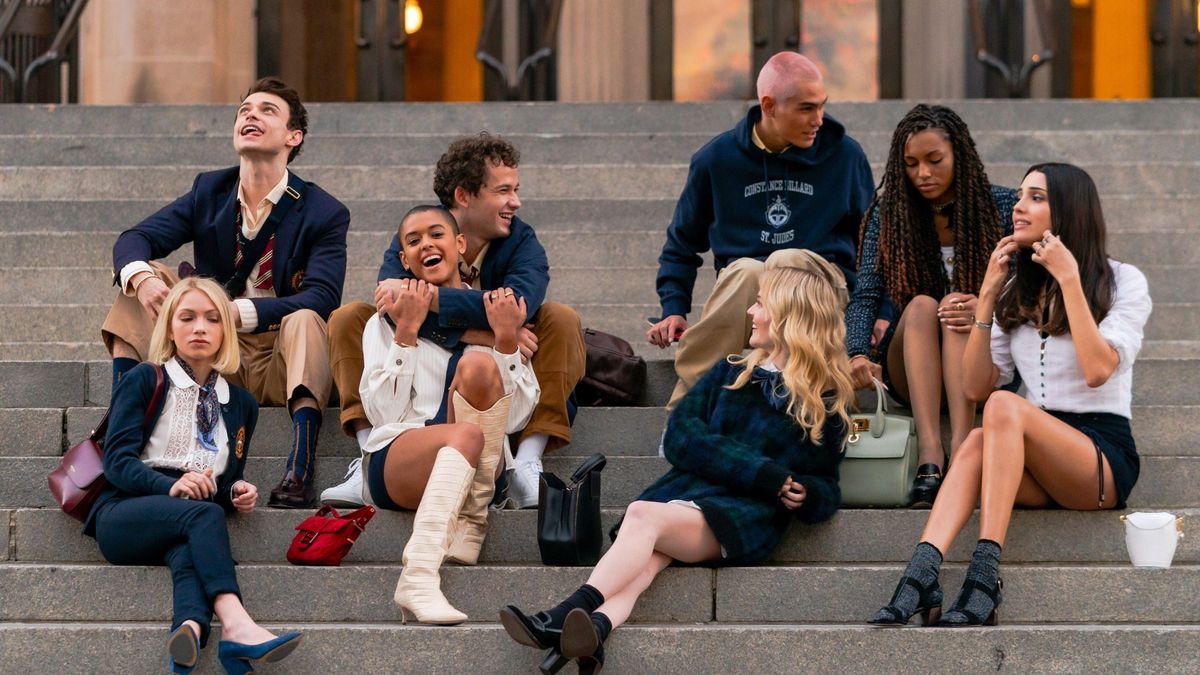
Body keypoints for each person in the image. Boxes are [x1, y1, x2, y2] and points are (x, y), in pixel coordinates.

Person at [502, 263, 854, 673]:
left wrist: (804, 493)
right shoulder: (731, 371)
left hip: (741, 517)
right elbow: (680, 437)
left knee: (640, 515)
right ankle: (595, 631)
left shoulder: (823, 401)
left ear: (791, 315)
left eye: (760, 304)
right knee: (647, 560)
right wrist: (762, 473)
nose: (750, 313)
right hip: (687, 497)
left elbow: (827, 486)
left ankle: (561, 615)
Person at [870, 163, 1151, 627]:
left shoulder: (1123, 281)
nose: (1018, 206)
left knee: (1003, 408)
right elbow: (975, 386)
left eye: (1035, 197)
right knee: (981, 437)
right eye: (1020, 196)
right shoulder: (1016, 290)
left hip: (1099, 458)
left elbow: (1099, 370)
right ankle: (922, 573)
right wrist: (986, 298)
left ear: (1068, 211)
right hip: (1029, 453)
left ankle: (984, 577)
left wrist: (1070, 280)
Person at [101, 77, 350, 509]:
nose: (250, 115)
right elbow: (134, 238)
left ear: (294, 137)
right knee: (139, 278)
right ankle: (120, 427)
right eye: (244, 110)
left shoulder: (324, 211)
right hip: (212, 359)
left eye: (267, 110)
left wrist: (237, 312)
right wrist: (143, 280)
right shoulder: (209, 190)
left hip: (279, 359)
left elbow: (322, 297)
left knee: (308, 319)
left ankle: (300, 464)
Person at [323, 133, 584, 510]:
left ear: (460, 244)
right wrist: (486, 331)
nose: (516, 202)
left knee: (560, 318)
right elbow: (396, 308)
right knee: (349, 318)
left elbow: (517, 308)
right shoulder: (421, 231)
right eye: (504, 191)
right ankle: (366, 451)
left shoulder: (522, 242)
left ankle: (528, 458)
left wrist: (435, 303)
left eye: (515, 190)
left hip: (498, 383)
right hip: (419, 405)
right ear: (464, 196)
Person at [84, 278, 303, 674]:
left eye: (212, 318)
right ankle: (236, 623)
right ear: (169, 328)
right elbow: (116, 463)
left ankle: (190, 631)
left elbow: (220, 485)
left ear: (225, 332)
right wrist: (172, 484)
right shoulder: (145, 379)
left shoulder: (241, 404)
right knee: (203, 518)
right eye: (187, 318)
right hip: (124, 513)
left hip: (187, 518)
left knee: (190, 552)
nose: (199, 327)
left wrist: (235, 490)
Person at [648, 51, 873, 409]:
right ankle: (688, 410)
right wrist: (673, 307)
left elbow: (875, 245)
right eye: (806, 108)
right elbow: (682, 243)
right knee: (748, 269)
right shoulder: (716, 160)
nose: (819, 120)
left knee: (785, 260)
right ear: (768, 105)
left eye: (821, 106)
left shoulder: (845, 156)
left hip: (822, 287)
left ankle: (806, 404)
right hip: (748, 292)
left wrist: (881, 312)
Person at [360, 205, 539, 624]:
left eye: (436, 234)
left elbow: (515, 421)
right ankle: (421, 574)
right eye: (414, 240)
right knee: (467, 436)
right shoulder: (384, 324)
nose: (426, 245)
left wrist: (508, 342)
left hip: (480, 471)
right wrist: (405, 333)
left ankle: (469, 514)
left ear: (460, 245)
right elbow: (382, 413)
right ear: (403, 261)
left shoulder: (496, 318)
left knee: (478, 368)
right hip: (400, 461)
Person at [845, 104, 1016, 506]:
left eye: (934, 160)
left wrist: (987, 308)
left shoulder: (1003, 209)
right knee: (923, 305)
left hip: (982, 365)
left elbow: (1032, 294)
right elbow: (865, 294)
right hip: (913, 365)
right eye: (911, 164)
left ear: (960, 153)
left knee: (960, 309)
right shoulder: (889, 214)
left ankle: (961, 448)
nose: (922, 173)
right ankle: (930, 454)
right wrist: (854, 351)